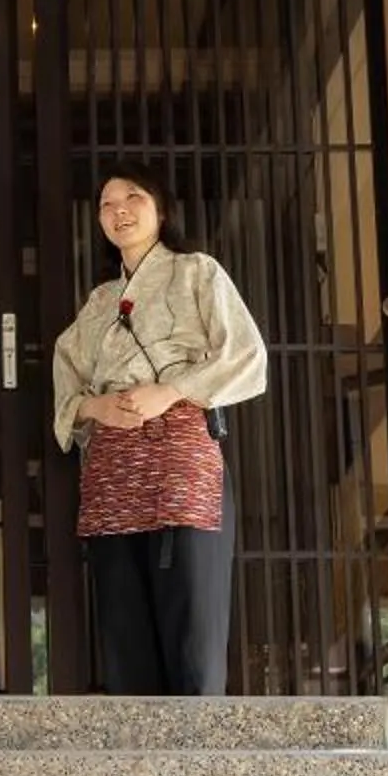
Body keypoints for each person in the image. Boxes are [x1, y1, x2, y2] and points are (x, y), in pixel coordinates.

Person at [51, 167, 269, 696]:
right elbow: (68, 381)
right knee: (125, 621)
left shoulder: (198, 272)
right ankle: (139, 759)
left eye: (133, 197)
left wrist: (169, 392)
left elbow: (246, 354)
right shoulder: (101, 302)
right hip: (113, 461)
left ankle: (196, 758)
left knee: (191, 612)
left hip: (180, 450)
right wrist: (95, 407)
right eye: (106, 203)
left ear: (162, 210)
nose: (118, 209)